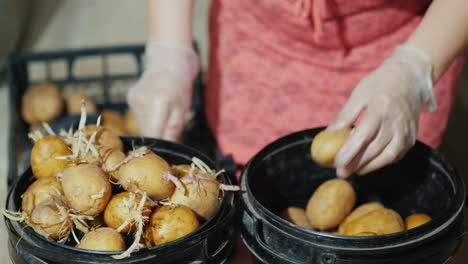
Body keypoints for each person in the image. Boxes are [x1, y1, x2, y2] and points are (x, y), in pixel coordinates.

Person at [128, 0, 468, 178]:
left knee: (384, 191)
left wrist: (413, 70)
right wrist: (168, 52)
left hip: (397, 42)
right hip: (252, 40)